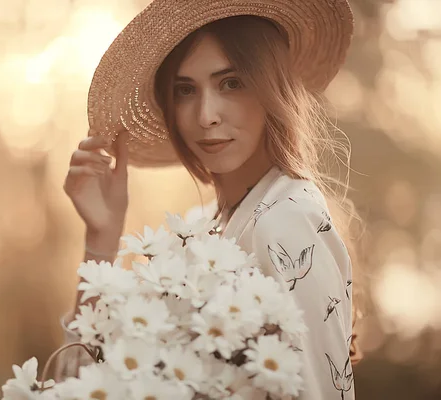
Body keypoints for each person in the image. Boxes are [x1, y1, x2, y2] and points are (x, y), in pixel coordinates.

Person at [58, 0, 361, 398]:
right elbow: (76, 382)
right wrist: (101, 240)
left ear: (272, 87)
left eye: (231, 82)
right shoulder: (200, 230)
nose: (206, 115)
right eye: (185, 90)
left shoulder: (286, 219)